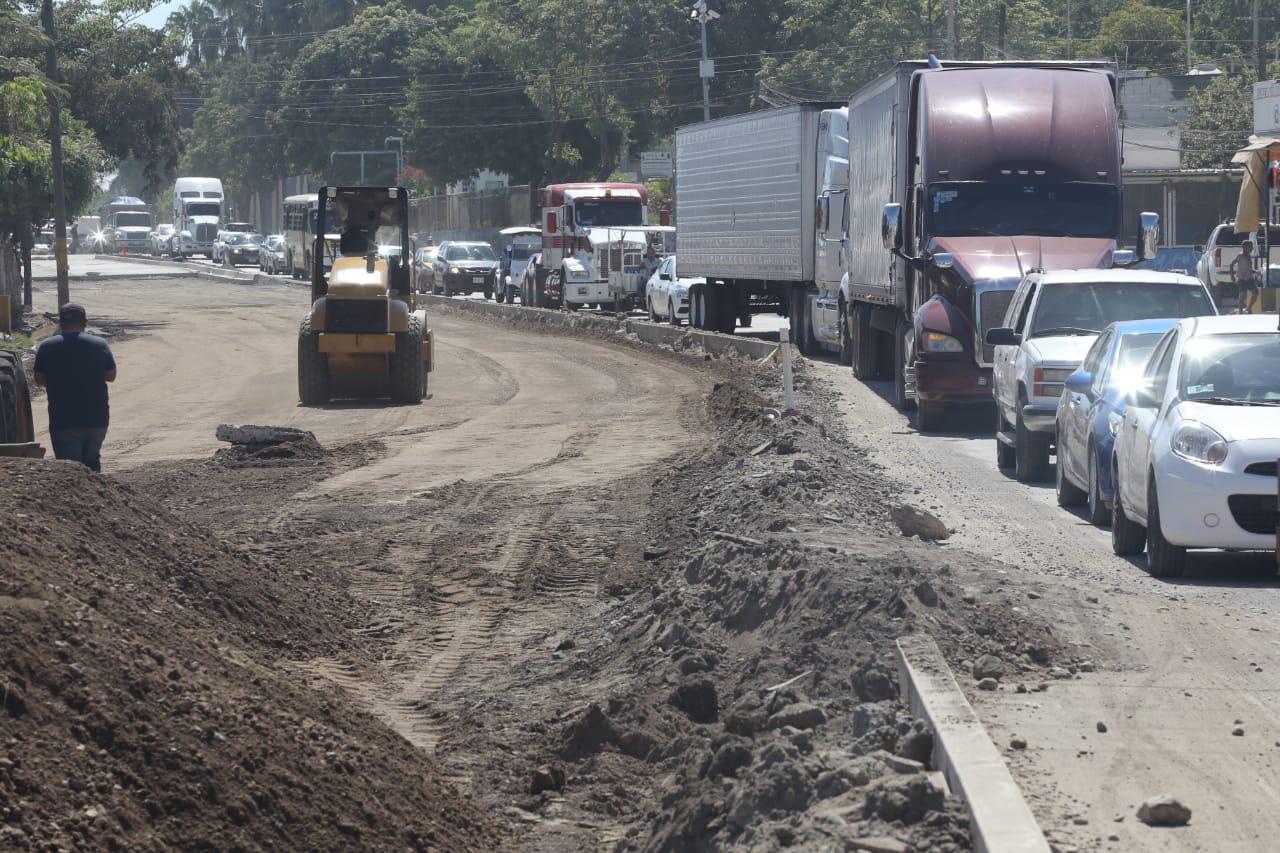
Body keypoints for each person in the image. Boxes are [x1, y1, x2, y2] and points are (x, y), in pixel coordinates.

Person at [33, 303, 117, 472]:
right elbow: (111, 376)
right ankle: (96, 496)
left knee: (70, 471)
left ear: (61, 323)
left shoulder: (46, 346)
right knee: (92, 464)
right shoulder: (99, 344)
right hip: (97, 420)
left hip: (64, 421)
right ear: (85, 322)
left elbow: (39, 379)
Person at [1230, 240, 1260, 314]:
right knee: (1242, 296)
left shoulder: (1249, 256)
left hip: (1249, 278)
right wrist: (1232, 276)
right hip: (1242, 279)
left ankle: (1249, 307)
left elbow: (1248, 268)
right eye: (1250, 247)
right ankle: (1240, 312)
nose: (1252, 248)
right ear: (1245, 247)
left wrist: (1255, 271)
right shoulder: (1240, 256)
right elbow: (1231, 264)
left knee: (1256, 292)